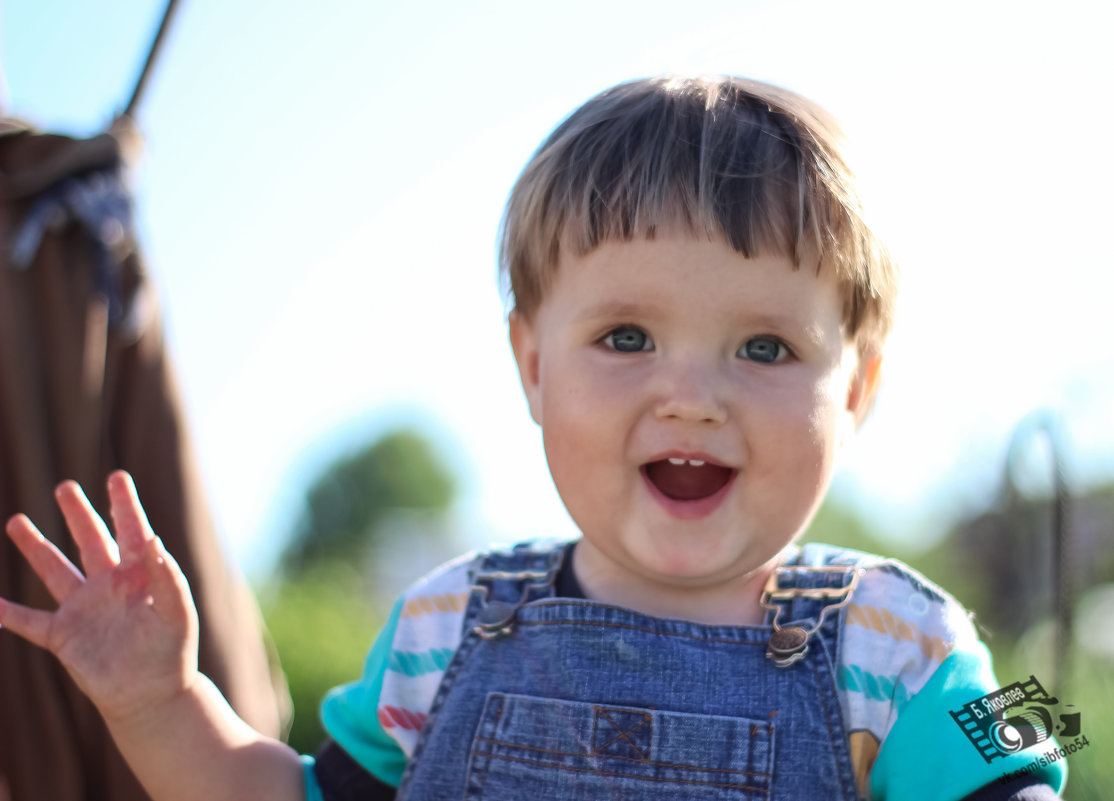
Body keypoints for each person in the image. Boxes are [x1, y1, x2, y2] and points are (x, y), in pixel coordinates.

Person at [0, 76, 1064, 800]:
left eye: (766, 349)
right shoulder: (443, 627)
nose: (691, 396)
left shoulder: (908, 645)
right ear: (533, 366)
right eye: (628, 336)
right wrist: (161, 701)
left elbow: (1031, 747)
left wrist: (1041, 710)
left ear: (860, 387)